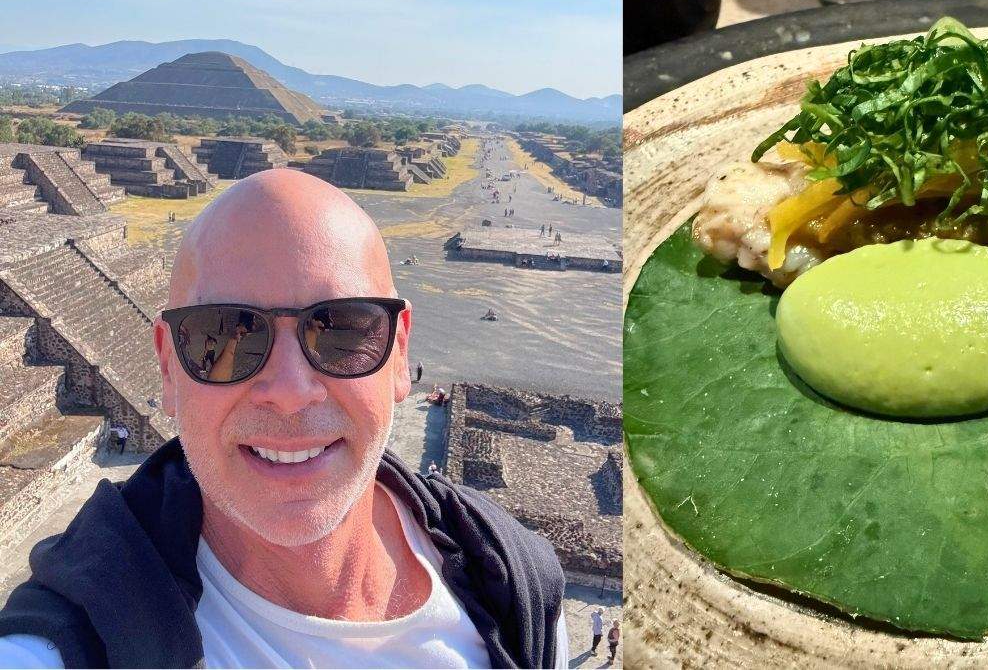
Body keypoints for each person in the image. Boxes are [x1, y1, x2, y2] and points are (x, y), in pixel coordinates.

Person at [0, 169, 568, 668]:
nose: (291, 393)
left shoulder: (516, 590)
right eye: (221, 333)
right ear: (169, 367)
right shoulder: (70, 646)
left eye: (343, 326)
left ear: (399, 354)